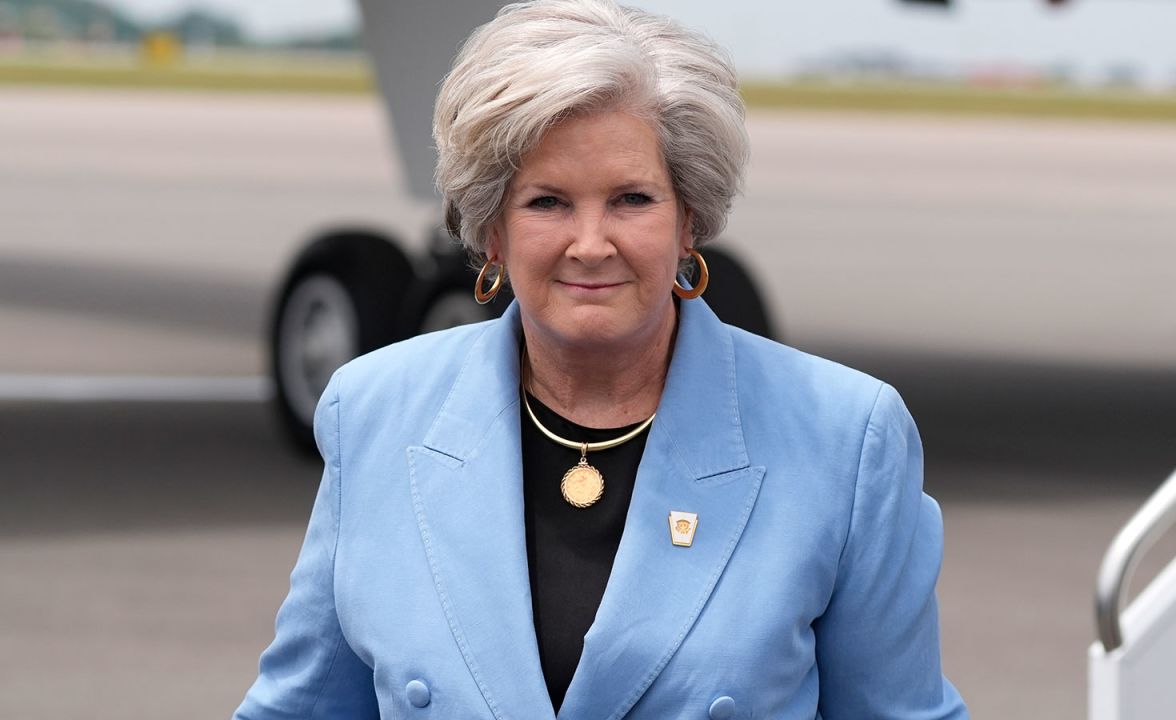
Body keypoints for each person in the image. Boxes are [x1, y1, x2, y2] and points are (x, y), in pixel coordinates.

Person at [233, 1, 967, 718]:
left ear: (690, 221)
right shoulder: (374, 413)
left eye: (632, 199)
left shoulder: (847, 439)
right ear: (491, 231)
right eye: (547, 202)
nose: (590, 243)